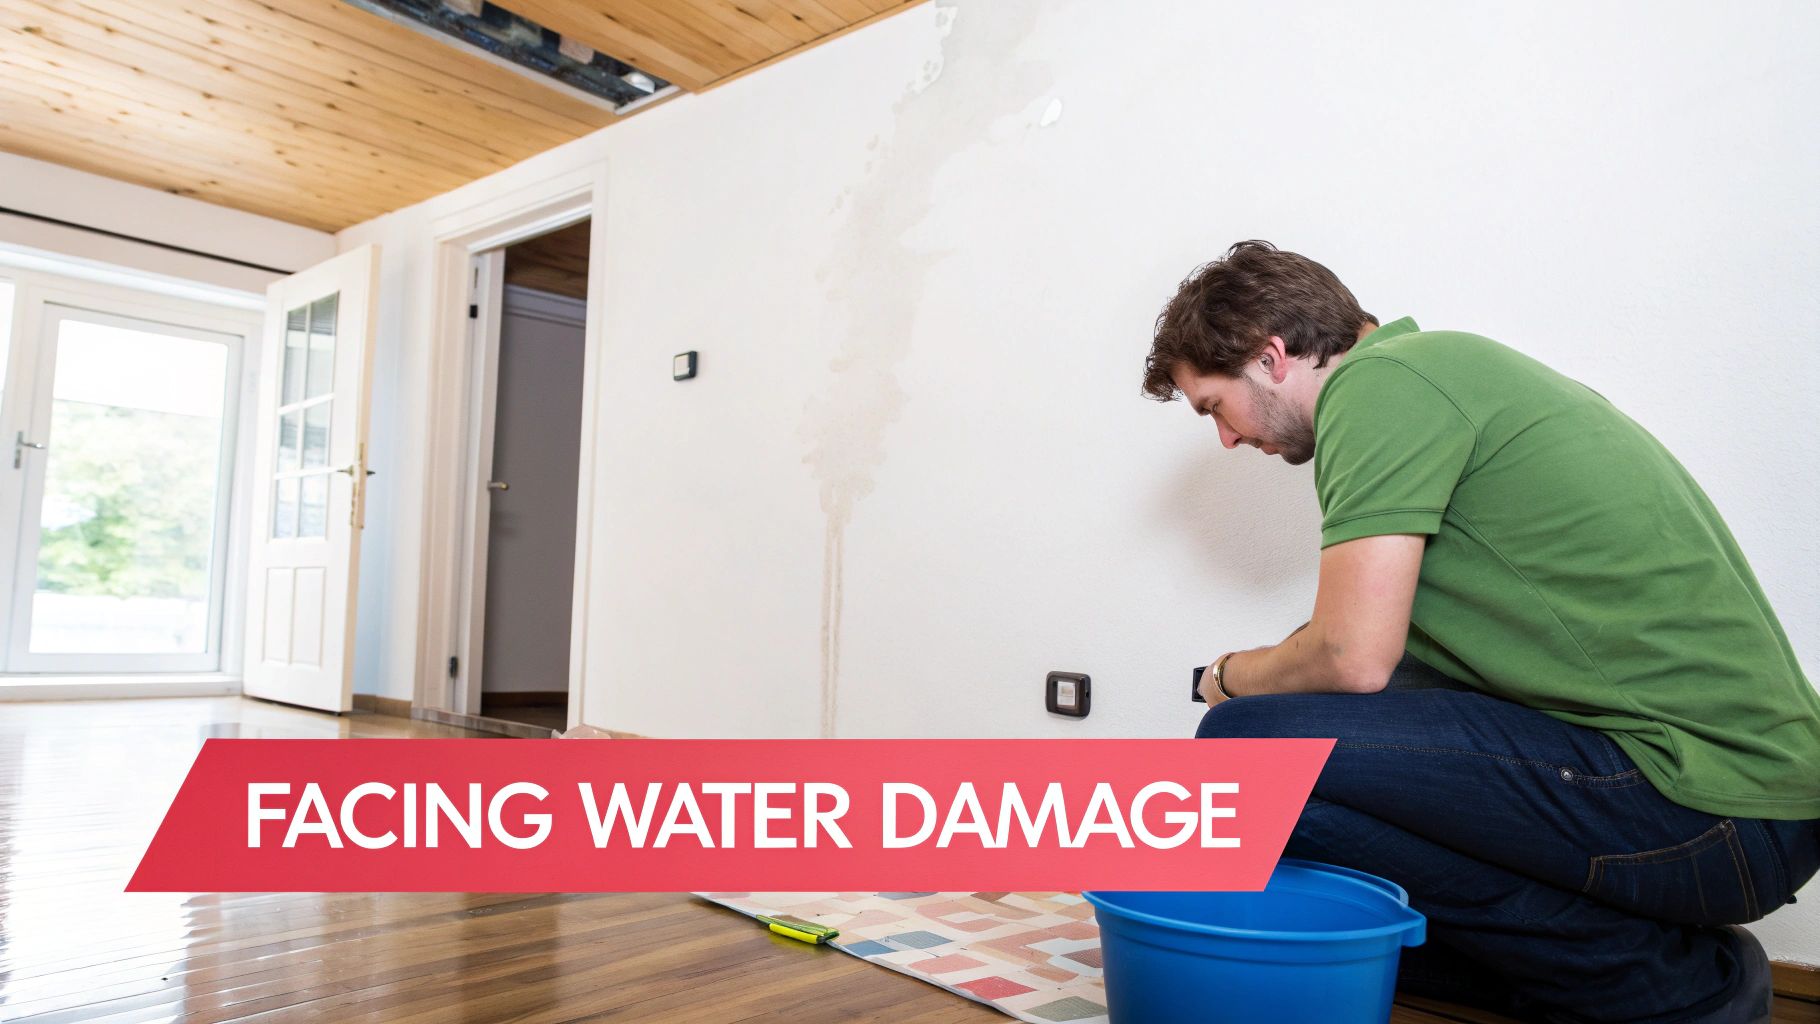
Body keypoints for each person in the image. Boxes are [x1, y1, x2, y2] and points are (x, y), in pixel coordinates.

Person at [1144, 240, 1820, 1024]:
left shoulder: (1382, 385)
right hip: (1741, 812)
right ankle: (1654, 966)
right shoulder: (1442, 375)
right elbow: (1380, 677)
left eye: (1213, 408)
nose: (1226, 440)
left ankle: (1671, 988)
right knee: (1301, 813)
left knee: (1244, 744)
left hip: (1709, 800)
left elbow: (1350, 655)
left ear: (1271, 357)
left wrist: (1230, 676)